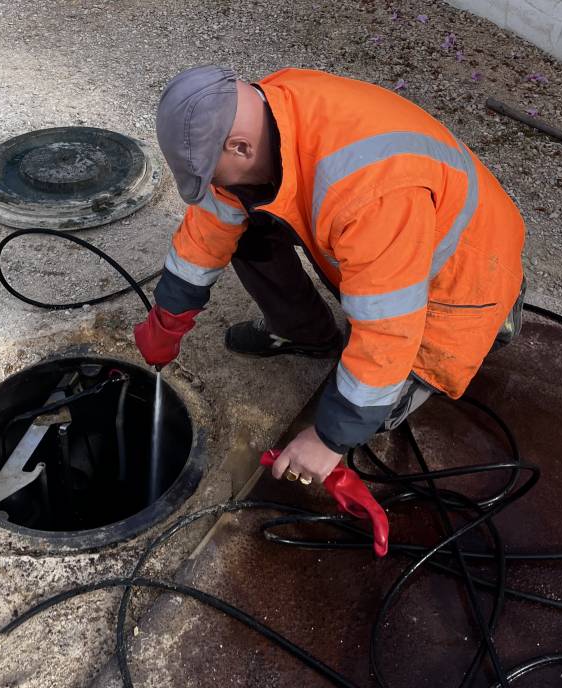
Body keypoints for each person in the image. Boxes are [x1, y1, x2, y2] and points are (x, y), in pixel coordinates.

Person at [134, 66, 525, 488]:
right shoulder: (268, 113)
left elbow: (387, 328)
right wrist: (167, 318)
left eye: (212, 174)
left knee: (374, 409)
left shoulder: (368, 190)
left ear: (240, 147)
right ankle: (303, 332)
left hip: (462, 282)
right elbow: (210, 226)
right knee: (247, 220)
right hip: (392, 249)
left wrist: (329, 438)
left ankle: (496, 321)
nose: (213, 187)